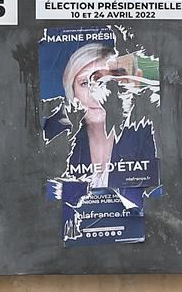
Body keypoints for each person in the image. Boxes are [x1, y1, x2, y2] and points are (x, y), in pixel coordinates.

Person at [58, 42, 157, 190]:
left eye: (109, 81)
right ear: (72, 92)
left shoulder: (148, 135)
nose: (96, 94)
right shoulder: (61, 145)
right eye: (85, 83)